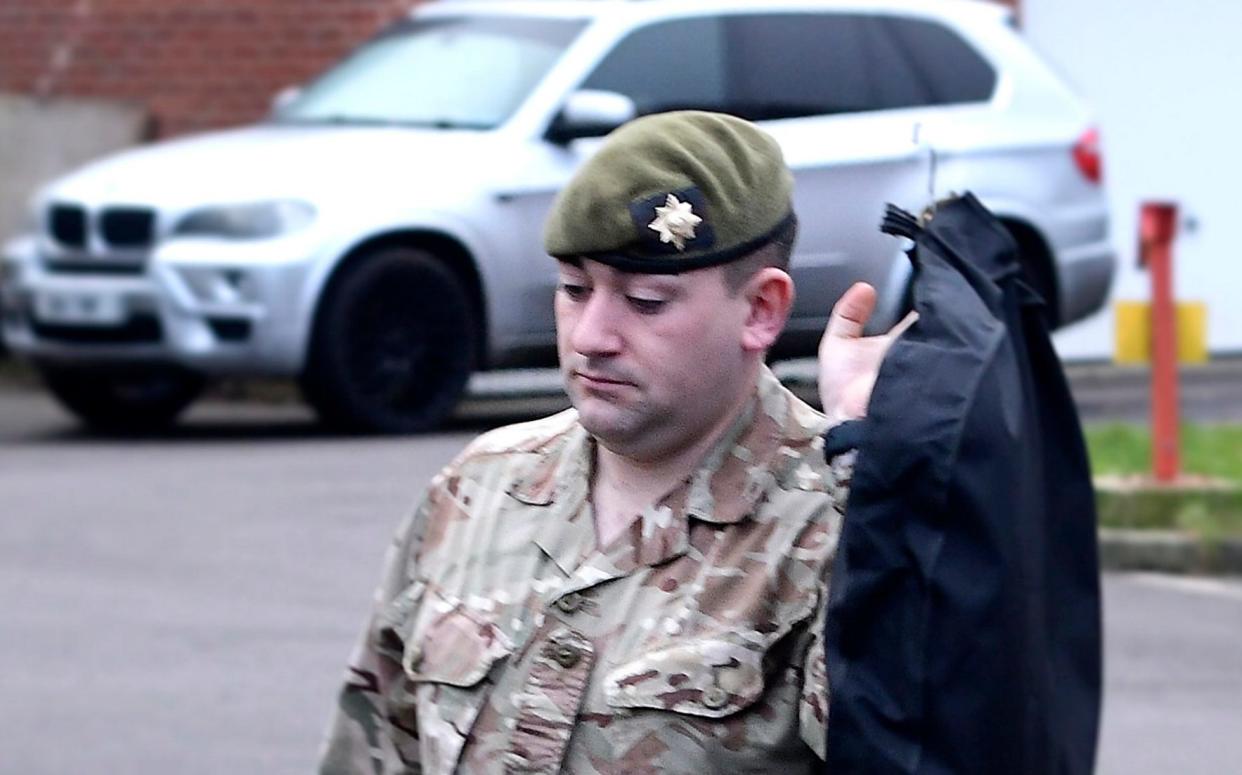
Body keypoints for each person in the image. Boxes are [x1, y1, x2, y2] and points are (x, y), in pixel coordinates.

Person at [318, 111, 909, 774]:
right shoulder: (480, 486)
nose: (591, 335)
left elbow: (915, 737)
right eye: (573, 289)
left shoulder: (841, 524)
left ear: (761, 310)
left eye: (646, 300)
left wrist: (880, 471)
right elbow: (373, 745)